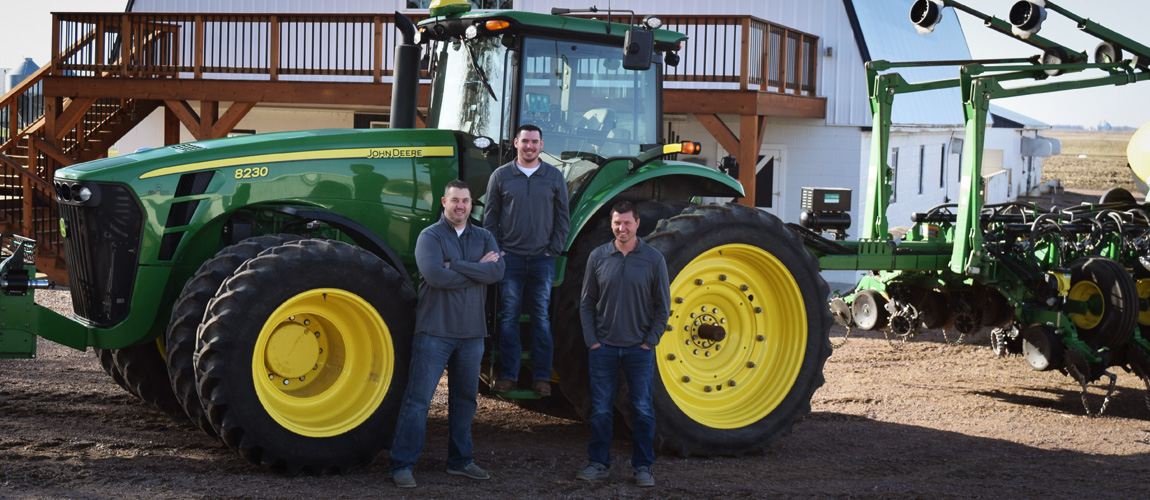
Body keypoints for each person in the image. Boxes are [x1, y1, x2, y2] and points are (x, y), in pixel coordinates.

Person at [390, 179, 505, 489]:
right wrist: (475, 270)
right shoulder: (430, 236)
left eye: (465, 201)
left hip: (472, 334)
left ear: (471, 204)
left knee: (465, 400)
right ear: (444, 202)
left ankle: (460, 461)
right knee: (418, 400)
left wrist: (456, 264)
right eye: (454, 200)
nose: (460, 206)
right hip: (434, 332)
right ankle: (402, 464)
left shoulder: (484, 236)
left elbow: (497, 272)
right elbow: (434, 276)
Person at [576, 200, 669, 488]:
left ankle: (643, 467)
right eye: (617, 222)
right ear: (612, 224)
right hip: (603, 349)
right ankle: (598, 463)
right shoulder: (598, 256)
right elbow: (586, 303)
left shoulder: (654, 259)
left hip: (637, 350)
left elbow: (662, 308)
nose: (622, 227)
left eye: (627, 222)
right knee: (601, 409)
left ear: (637, 223)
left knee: (642, 409)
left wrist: (649, 342)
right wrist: (592, 342)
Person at [483, 124, 570, 396]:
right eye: (525, 142)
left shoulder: (554, 177)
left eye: (534, 141)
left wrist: (553, 250)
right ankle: (509, 375)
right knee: (509, 317)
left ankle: (542, 377)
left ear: (541, 145)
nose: (529, 146)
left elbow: (562, 220)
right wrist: (499, 250)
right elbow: (490, 218)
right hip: (512, 259)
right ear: (516, 144)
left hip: (543, 259)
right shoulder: (501, 176)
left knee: (541, 318)